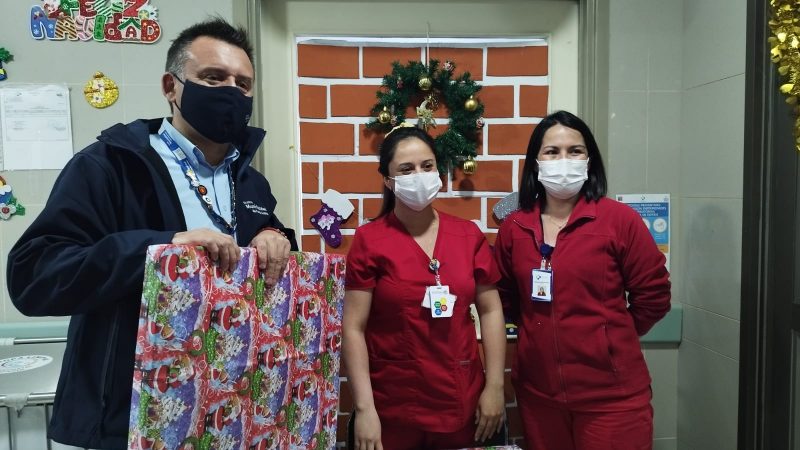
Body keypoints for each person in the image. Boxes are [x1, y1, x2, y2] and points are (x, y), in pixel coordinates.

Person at [6, 19, 297, 449]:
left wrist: (277, 233)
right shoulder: (109, 166)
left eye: (243, 83)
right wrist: (158, 249)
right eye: (213, 78)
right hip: (132, 417)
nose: (231, 92)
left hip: (232, 412)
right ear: (171, 86)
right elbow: (34, 275)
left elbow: (269, 270)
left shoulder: (251, 182)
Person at [493, 110, 671, 450]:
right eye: (552, 152)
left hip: (612, 399)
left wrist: (609, 335)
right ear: (535, 163)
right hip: (539, 396)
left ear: (590, 160)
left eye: (575, 151)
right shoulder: (514, 228)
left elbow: (654, 295)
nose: (564, 160)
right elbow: (504, 299)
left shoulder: (620, 221)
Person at [342, 125, 506, 450]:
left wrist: (496, 386)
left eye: (427, 166)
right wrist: (364, 408)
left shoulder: (467, 236)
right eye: (406, 169)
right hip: (394, 405)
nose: (419, 175)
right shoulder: (370, 240)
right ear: (388, 180)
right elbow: (353, 327)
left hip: (461, 398)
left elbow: (491, 310)